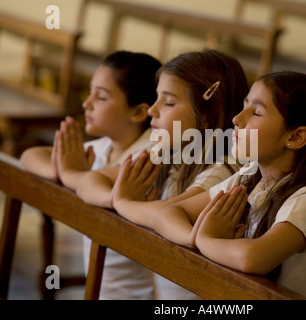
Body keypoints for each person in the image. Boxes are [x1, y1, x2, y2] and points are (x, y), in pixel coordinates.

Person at [154, 71, 306, 300]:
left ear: (296, 137)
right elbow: (167, 214)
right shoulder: (250, 174)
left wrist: (205, 239)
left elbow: (253, 258)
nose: (237, 119)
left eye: (256, 112)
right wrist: (192, 237)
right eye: (244, 106)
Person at [76, 49, 250, 300]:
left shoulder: (224, 169)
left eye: (168, 102)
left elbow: (164, 214)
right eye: (157, 98)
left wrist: (123, 201)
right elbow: (88, 182)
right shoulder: (166, 151)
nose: (152, 111)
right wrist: (114, 198)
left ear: (207, 114)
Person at [19, 50, 162, 298]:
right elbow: (29, 156)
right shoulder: (106, 146)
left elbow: (93, 182)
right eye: (90, 91)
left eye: (101, 96)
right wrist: (60, 169)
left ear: (138, 112)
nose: (87, 103)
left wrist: (70, 172)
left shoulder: (149, 154)